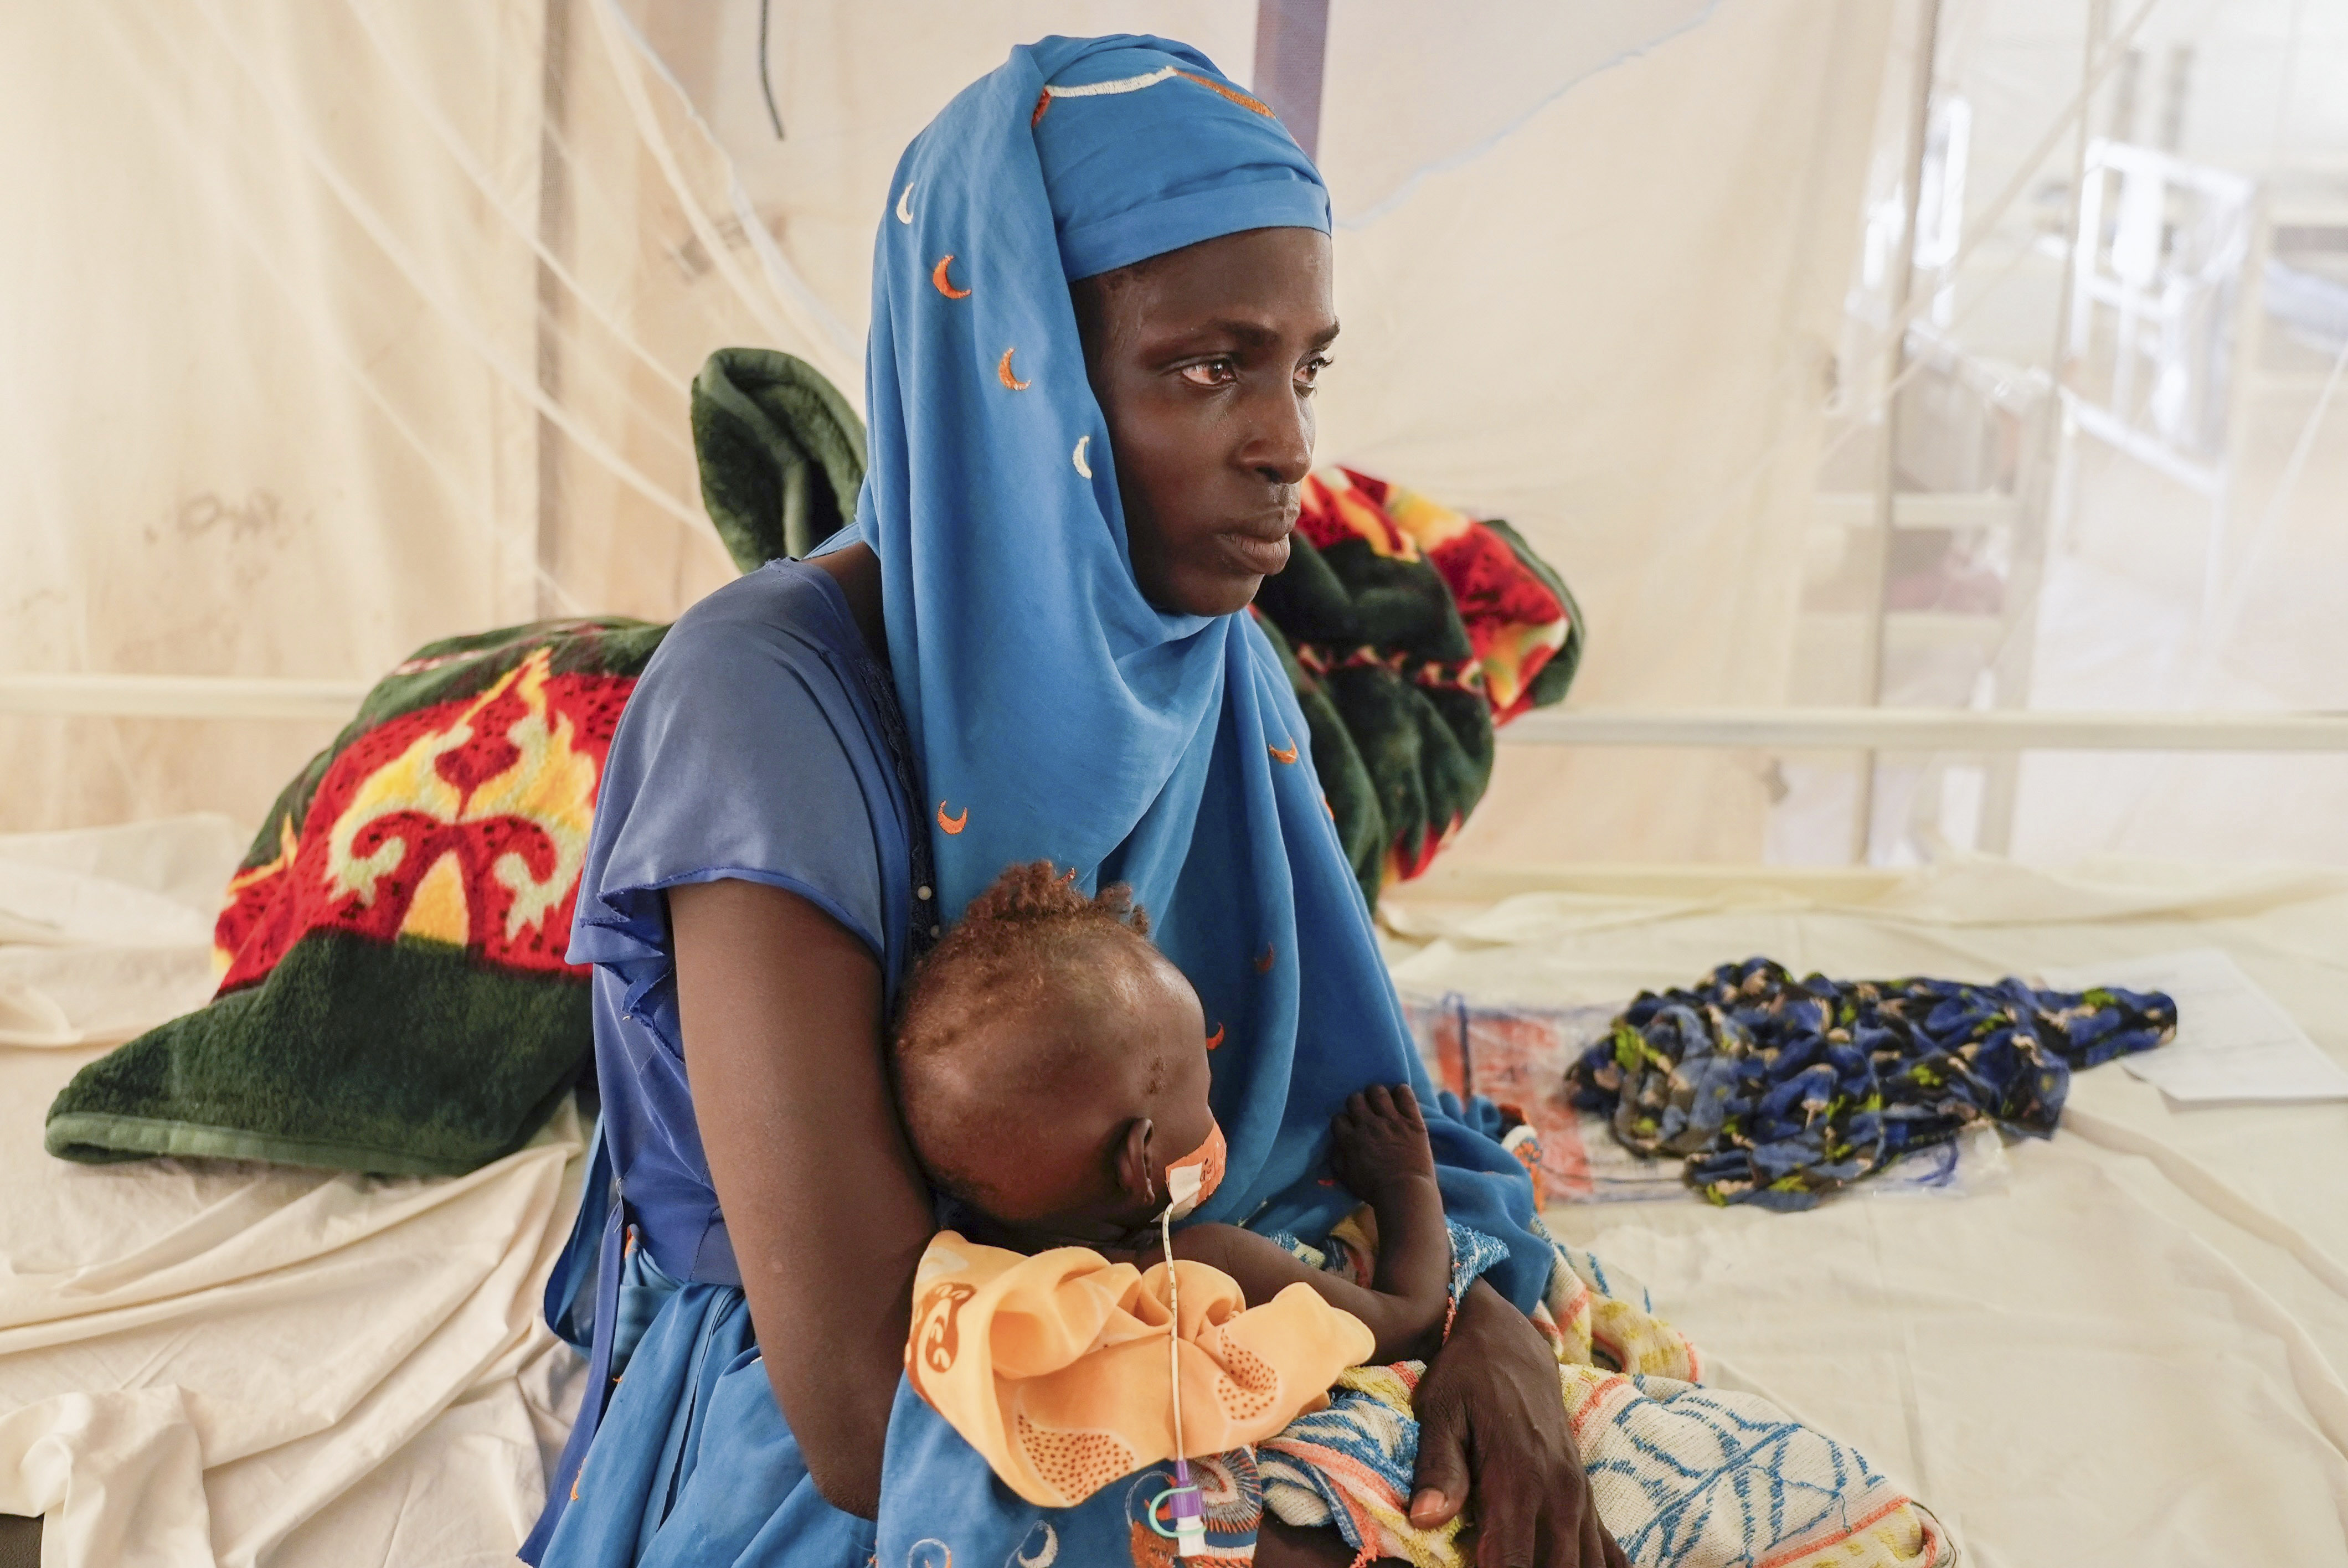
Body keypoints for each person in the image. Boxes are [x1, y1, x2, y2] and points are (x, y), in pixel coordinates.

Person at [524, 33, 1628, 1568]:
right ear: (1010, 373)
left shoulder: (1201, 656)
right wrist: (1370, 1374)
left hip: (1199, 1301)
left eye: (1304, 369)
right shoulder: (763, 705)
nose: (1288, 449)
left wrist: (1481, 1317)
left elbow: (1343, 1102)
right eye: (1205, 367)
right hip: (914, 1401)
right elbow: (858, 1406)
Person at [890, 859, 1451, 1369]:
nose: (1217, 1102)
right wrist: (1408, 1180)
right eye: (1204, 1087)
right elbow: (1407, 1323)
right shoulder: (1201, 1265)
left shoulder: (965, 1269)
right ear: (1140, 1159)